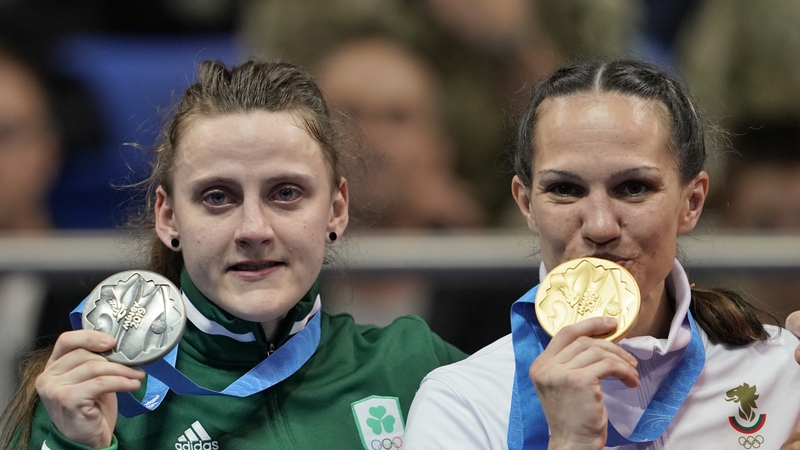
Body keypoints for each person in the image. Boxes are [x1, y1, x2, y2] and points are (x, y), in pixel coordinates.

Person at [0, 58, 467, 449]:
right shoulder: (94, 398)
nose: (253, 230)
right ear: (168, 217)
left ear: (336, 209)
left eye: (285, 193)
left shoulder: (415, 365)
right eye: (218, 197)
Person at [405, 58, 800, 449]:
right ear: (526, 204)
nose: (599, 226)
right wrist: (569, 443)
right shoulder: (463, 403)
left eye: (633, 188)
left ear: (691, 202)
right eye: (564, 189)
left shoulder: (782, 370)